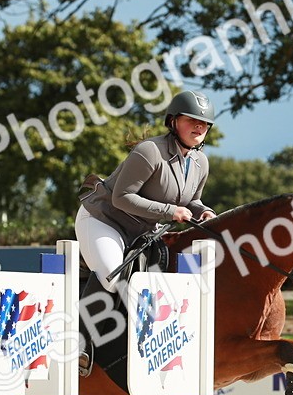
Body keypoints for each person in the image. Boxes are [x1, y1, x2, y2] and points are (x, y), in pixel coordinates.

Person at [74, 90, 217, 374]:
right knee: (114, 275)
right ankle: (80, 343)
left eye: (204, 123)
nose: (199, 127)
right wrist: (169, 211)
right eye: (191, 120)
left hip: (142, 234)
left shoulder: (201, 163)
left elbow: (192, 200)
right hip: (104, 220)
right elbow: (122, 198)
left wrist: (204, 211)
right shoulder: (150, 151)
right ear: (174, 121)